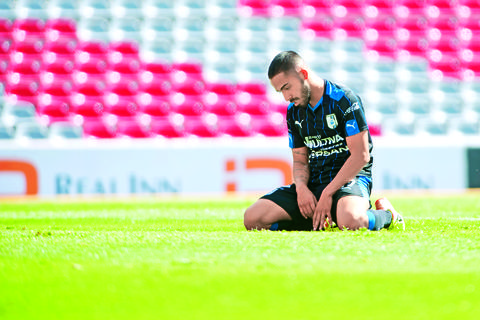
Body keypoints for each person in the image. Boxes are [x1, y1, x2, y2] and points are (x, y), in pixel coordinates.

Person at [244, 51, 405, 231]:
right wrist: (302, 189)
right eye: (280, 91)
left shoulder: (344, 99)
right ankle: (321, 220)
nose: (285, 96)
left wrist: (328, 193)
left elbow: (361, 156)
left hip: (349, 180)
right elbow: (299, 160)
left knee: (352, 221)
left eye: (287, 87)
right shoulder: (293, 111)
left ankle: (388, 215)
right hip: (314, 183)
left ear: (303, 74)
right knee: (253, 219)